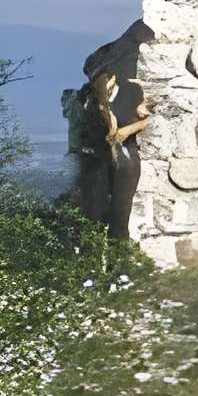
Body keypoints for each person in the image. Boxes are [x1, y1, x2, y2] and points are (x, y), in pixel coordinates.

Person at [71, 29, 153, 239]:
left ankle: (118, 241)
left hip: (123, 156)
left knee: (120, 210)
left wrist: (128, 129)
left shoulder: (130, 91)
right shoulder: (94, 100)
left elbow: (147, 117)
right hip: (100, 158)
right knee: (97, 209)